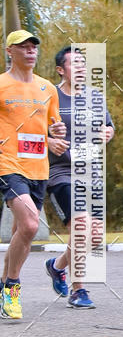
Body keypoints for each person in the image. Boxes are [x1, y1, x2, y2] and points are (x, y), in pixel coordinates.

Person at [0, 30, 66, 320]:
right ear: (9, 52)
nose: (30, 52)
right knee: (29, 225)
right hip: (8, 164)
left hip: (38, 167)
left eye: (33, 47)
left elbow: (52, 126)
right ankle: (13, 288)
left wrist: (56, 135)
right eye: (23, 47)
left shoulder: (47, 88)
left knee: (20, 233)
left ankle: (3, 285)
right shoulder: (1, 85)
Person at [45, 46, 114, 309]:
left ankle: (57, 266)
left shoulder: (95, 96)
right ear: (61, 70)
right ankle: (79, 290)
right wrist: (50, 141)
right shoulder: (49, 96)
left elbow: (108, 125)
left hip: (91, 173)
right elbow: (33, 130)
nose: (82, 68)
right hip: (60, 173)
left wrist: (108, 132)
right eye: (75, 64)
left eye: (84, 64)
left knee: (94, 237)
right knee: (81, 226)